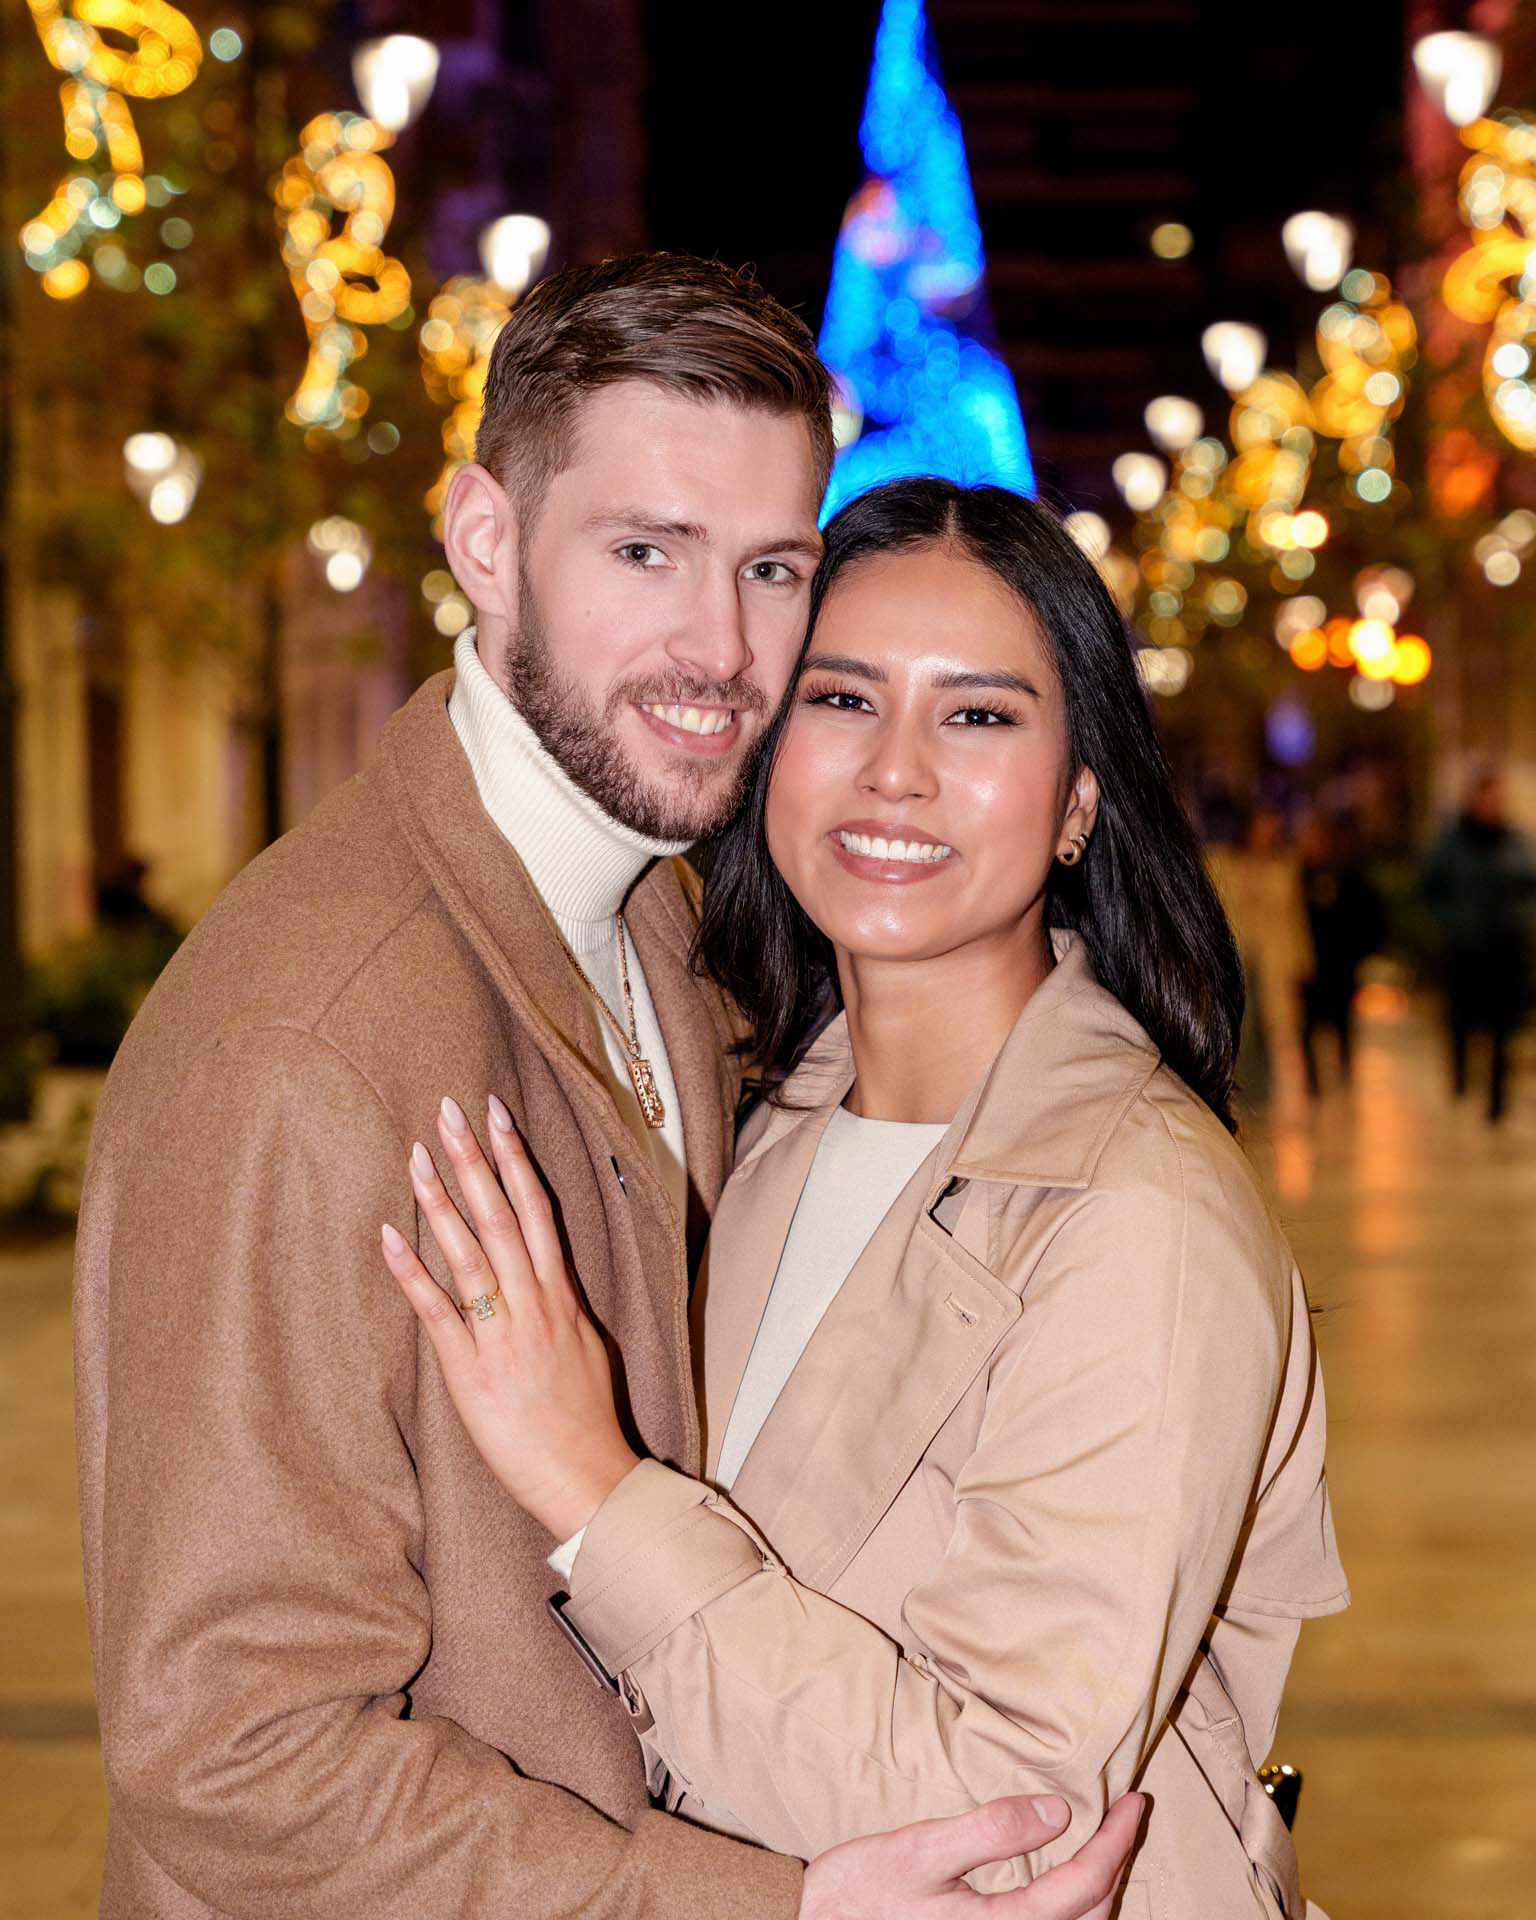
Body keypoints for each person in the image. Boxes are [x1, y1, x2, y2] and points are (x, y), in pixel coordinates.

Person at [74, 256, 1138, 1919]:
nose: (721, 648)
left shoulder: (651, 916)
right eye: (646, 552)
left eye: (771, 568)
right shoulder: (309, 1050)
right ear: (486, 540)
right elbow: (233, 1749)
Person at [384, 480, 1349, 1915]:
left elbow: (1007, 1814)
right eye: (841, 700)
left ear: (1080, 798)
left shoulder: (1139, 1215)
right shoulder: (756, 1123)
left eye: (978, 716)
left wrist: (595, 1490)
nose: (895, 770)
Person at [1423, 768, 1536, 1123]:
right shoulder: (1453, 842)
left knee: (1503, 1026)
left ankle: (1497, 1104)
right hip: (1465, 949)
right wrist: (1451, 921)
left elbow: (1530, 886)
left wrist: (1521, 917)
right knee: (1461, 1022)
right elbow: (1430, 887)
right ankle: (1460, 1084)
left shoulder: (1516, 842)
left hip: (1505, 948)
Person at [1298, 814, 1385, 1094]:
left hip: (1341, 966)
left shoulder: (1349, 876)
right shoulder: (1296, 876)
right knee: (1307, 1027)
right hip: (1307, 964)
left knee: (1343, 1025)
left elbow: (1371, 916)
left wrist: (1361, 953)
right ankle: (1314, 1085)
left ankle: (1344, 1080)